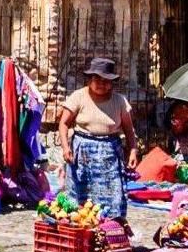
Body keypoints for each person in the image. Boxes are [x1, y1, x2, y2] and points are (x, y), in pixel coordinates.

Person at [59, 57, 138, 222]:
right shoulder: (78, 97)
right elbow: (63, 123)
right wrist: (66, 148)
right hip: (82, 153)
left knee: (114, 195)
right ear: (90, 80)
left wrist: (133, 151)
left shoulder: (120, 101)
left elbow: (129, 130)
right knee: (80, 197)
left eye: (106, 80)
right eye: (97, 79)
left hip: (109, 154)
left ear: (112, 82)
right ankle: (80, 231)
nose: (101, 84)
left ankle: (111, 229)